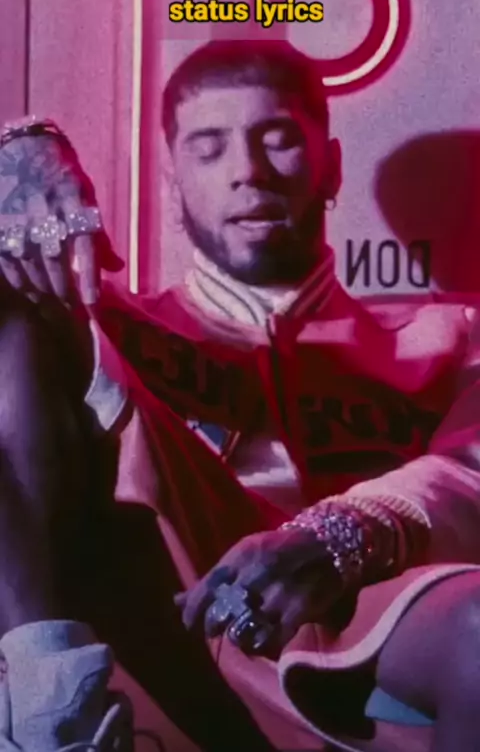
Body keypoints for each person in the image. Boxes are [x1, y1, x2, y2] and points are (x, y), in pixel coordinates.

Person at [2, 40, 480, 752]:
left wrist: (343, 533)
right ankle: (45, 706)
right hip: (162, 613)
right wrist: (18, 152)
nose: (246, 172)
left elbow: (471, 471)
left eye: (277, 138)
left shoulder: (446, 335)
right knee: (15, 301)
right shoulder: (109, 324)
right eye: (208, 148)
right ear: (172, 184)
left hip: (372, 614)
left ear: (331, 167)